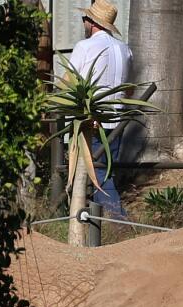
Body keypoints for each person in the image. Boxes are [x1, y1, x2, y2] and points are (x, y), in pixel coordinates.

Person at [68, 0, 132, 219]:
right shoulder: (125, 50)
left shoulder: (84, 47)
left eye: (85, 18)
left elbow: (70, 83)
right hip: (118, 120)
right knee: (105, 171)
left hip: (91, 120)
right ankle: (98, 223)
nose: (84, 21)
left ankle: (119, 222)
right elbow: (128, 87)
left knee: (99, 174)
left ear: (92, 22)